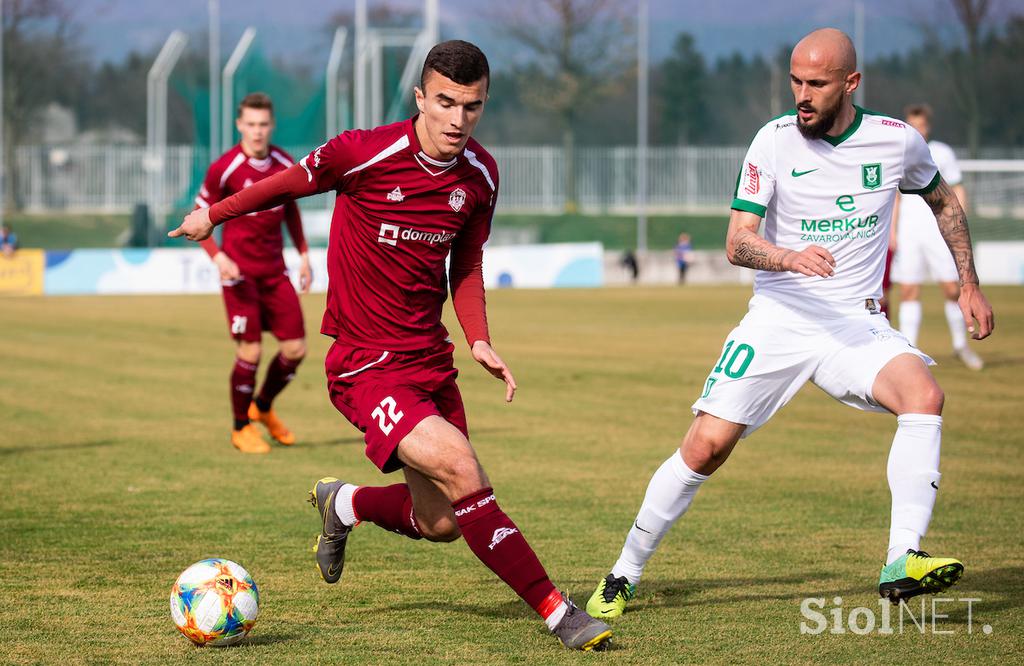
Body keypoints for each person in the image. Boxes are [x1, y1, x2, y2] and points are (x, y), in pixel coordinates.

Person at [170, 40, 612, 651]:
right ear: (420, 98)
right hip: (364, 362)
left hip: (430, 359)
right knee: (463, 469)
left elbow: (469, 263)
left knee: (441, 523)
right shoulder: (363, 152)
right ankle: (559, 613)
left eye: (473, 107)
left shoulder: (480, 174)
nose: (457, 120)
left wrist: (479, 338)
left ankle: (345, 504)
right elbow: (286, 184)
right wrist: (213, 215)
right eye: (446, 103)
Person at [586, 28, 994, 619]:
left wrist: (970, 283)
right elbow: (736, 242)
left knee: (924, 396)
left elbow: (943, 202)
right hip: (779, 317)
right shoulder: (772, 142)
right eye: (796, 81)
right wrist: (788, 257)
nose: (802, 94)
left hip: (854, 324)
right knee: (706, 446)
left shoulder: (895, 142)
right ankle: (623, 573)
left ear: (850, 84)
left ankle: (903, 558)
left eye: (817, 84)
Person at [193, 92, 312, 454]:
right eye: (251, 124)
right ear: (239, 125)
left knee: (295, 349)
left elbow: (290, 211)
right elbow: (199, 215)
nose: (257, 132)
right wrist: (217, 257)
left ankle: (261, 407)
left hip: (276, 273)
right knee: (252, 351)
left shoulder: (283, 162)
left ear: (271, 125)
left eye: (263, 125)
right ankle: (240, 427)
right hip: (239, 276)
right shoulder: (224, 168)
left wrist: (304, 255)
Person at [891, 104, 983, 370]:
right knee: (908, 290)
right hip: (910, 231)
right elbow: (895, 197)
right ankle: (910, 350)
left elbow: (956, 190)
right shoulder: (899, 151)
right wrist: (892, 231)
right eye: (912, 124)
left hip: (939, 231)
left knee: (952, 289)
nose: (917, 129)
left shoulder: (942, 152)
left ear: (928, 126)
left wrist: (960, 228)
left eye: (920, 125)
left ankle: (960, 345)